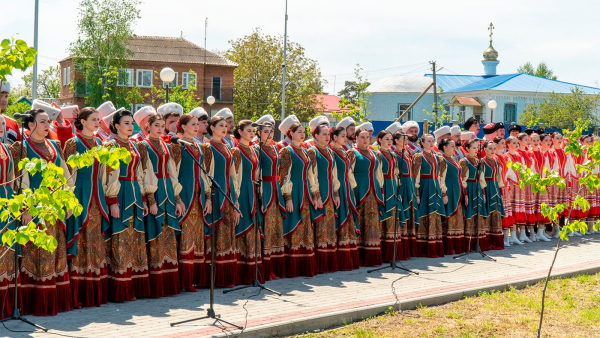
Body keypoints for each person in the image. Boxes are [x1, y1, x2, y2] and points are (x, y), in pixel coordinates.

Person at [12, 108, 74, 316]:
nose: (48, 125)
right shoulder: (22, 147)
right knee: (37, 251)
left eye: (48, 121)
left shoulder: (54, 145)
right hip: (35, 207)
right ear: (30, 125)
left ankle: (53, 301)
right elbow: (22, 179)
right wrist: (26, 208)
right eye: (43, 121)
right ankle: (34, 303)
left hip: (54, 207)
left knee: (54, 250)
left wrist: (68, 200)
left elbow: (64, 173)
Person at [63, 108, 110, 308]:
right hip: (80, 193)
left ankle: (95, 292)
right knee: (80, 238)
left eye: (98, 119)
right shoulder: (73, 143)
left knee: (95, 240)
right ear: (82, 121)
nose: (97, 122)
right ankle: (78, 293)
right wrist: (70, 201)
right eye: (93, 119)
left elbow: (104, 172)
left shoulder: (100, 143)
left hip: (96, 194)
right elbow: (68, 173)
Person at [103, 109, 151, 302]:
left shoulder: (134, 145)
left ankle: (133, 286)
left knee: (134, 240)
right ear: (116, 126)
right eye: (126, 123)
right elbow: (108, 174)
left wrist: (144, 199)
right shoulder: (110, 145)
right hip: (120, 192)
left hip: (134, 194)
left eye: (132, 123)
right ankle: (119, 289)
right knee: (120, 239)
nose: (131, 126)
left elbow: (139, 173)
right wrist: (112, 201)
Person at [137, 113, 185, 298]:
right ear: (148, 126)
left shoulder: (166, 146)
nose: (160, 128)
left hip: (167, 194)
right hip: (155, 192)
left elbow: (172, 174)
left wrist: (178, 199)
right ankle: (156, 286)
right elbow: (144, 173)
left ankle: (169, 285)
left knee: (168, 236)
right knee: (155, 234)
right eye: (156, 125)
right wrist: (150, 199)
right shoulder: (143, 145)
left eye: (162, 125)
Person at [172, 114, 211, 290]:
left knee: (197, 235)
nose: (196, 127)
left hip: (198, 196)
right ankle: (185, 280)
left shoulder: (198, 146)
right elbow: (174, 172)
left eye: (198, 124)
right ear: (183, 126)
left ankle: (196, 278)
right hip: (186, 194)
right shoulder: (178, 145)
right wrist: (177, 197)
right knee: (186, 235)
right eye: (193, 124)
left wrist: (208, 197)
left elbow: (204, 173)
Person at [205, 116, 241, 287]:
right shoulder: (207, 147)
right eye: (220, 125)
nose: (224, 128)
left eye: (226, 126)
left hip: (228, 191)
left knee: (228, 232)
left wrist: (236, 199)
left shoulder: (227, 148)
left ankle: (227, 276)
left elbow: (233, 175)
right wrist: (207, 198)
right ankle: (215, 277)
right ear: (211, 127)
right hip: (216, 191)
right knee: (216, 231)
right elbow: (206, 173)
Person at [278, 122, 318, 277]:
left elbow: (311, 175)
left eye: (304, 132)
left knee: (305, 226)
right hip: (294, 192)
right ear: (291, 133)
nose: (302, 134)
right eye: (299, 131)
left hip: (305, 191)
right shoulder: (286, 151)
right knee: (293, 223)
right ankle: (292, 267)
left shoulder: (306, 151)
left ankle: (304, 265)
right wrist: (288, 198)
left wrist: (315, 194)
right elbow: (284, 175)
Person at [231, 120, 265, 284]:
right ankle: (240, 273)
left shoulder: (255, 150)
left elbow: (258, 174)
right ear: (240, 131)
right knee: (242, 227)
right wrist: (235, 199)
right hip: (242, 191)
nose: (252, 133)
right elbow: (234, 176)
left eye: (253, 131)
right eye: (249, 130)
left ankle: (253, 272)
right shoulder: (236, 151)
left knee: (254, 228)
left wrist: (260, 195)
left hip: (253, 190)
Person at [348, 127, 384, 265]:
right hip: (358, 189)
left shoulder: (373, 153)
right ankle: (358, 255)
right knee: (359, 219)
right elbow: (349, 172)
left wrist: (380, 188)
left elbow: (378, 173)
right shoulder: (352, 153)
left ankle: (371, 255)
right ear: (355, 138)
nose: (365, 140)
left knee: (372, 221)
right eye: (362, 137)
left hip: (373, 191)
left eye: (367, 137)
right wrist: (352, 190)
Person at [307, 124, 340, 273]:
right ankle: (320, 264)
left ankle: (329, 264)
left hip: (330, 194)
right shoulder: (312, 151)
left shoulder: (329, 151)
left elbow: (334, 175)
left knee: (329, 228)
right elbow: (311, 176)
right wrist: (316, 195)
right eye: (324, 134)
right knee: (320, 228)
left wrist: (336, 193)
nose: (327, 137)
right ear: (316, 136)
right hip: (320, 194)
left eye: (328, 134)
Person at [256, 122, 286, 279]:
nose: (269, 134)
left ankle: (275, 266)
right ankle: (265, 268)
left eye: (271, 131)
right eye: (265, 131)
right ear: (259, 133)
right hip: (265, 188)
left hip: (276, 188)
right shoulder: (257, 149)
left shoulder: (275, 148)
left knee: (275, 228)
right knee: (266, 227)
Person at [330, 126, 360, 270]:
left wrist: (352, 190)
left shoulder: (344, 152)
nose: (344, 138)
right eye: (342, 135)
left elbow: (349, 172)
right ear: (334, 137)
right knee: (340, 218)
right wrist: (336, 192)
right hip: (338, 187)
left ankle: (348, 257)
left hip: (347, 188)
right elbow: (333, 174)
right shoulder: (332, 152)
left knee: (348, 219)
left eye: (344, 135)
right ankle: (339, 259)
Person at [412, 134, 445, 258]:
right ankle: (423, 248)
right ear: (422, 143)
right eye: (428, 141)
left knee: (435, 214)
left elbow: (440, 176)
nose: (431, 143)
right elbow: (415, 176)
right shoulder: (418, 157)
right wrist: (417, 193)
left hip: (435, 187)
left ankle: (434, 246)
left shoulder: (437, 158)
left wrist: (442, 192)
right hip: (424, 187)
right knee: (424, 214)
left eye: (433, 141)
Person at [377, 130, 408, 260]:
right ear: (379, 140)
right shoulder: (377, 154)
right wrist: (381, 190)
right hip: (384, 185)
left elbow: (396, 172)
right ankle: (384, 253)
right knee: (385, 216)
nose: (389, 142)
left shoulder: (393, 154)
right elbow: (377, 174)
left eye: (391, 139)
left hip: (393, 186)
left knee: (394, 218)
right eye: (386, 139)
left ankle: (393, 253)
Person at [0, 114, 19, 318]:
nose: (1, 126)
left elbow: (14, 179)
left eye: (3, 124)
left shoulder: (6, 148)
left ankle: (5, 306)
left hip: (6, 205)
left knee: (5, 251)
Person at [437, 138, 466, 255]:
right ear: (445, 147)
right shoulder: (442, 159)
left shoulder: (453, 159)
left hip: (456, 192)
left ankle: (457, 246)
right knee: (450, 218)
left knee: (457, 219)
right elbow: (441, 178)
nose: (455, 148)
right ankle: (449, 247)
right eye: (452, 146)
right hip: (449, 191)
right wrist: (444, 194)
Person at [460, 139, 487, 251]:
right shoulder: (464, 161)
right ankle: (468, 244)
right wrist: (465, 195)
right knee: (470, 214)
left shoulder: (479, 161)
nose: (476, 150)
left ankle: (478, 243)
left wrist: (483, 193)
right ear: (467, 148)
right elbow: (462, 179)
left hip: (478, 189)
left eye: (477, 148)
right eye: (473, 148)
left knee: (478, 214)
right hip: (469, 189)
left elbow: (481, 178)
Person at [392, 132, 417, 258]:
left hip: (410, 183)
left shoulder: (407, 153)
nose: (406, 141)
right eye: (403, 139)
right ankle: (401, 248)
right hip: (402, 184)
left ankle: (410, 248)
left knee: (410, 214)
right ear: (396, 140)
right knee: (403, 212)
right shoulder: (395, 154)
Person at [481, 141, 505, 250]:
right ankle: (486, 242)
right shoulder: (482, 162)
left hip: (495, 187)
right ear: (484, 149)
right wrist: (483, 192)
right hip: (487, 187)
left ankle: (496, 242)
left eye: (494, 148)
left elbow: (499, 177)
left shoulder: (496, 161)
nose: (492, 151)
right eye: (490, 148)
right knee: (487, 212)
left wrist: (501, 190)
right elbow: (481, 178)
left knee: (496, 212)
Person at [549, 132, 573, 238]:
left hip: (563, 180)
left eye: (560, 138)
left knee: (563, 204)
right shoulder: (551, 152)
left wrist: (568, 180)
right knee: (555, 204)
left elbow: (568, 167)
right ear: (552, 139)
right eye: (557, 138)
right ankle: (555, 227)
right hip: (555, 180)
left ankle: (561, 227)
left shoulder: (564, 152)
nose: (559, 140)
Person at [529, 133, 552, 242]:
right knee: (532, 208)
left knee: (542, 207)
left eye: (537, 139)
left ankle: (541, 232)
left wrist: (546, 180)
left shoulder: (543, 154)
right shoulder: (529, 154)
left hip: (542, 183)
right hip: (532, 184)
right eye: (533, 139)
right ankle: (533, 233)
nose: (536, 141)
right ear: (530, 141)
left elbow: (546, 168)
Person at [515, 133, 537, 242]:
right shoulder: (517, 153)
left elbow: (532, 167)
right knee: (521, 208)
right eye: (525, 139)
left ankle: (532, 233)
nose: (527, 141)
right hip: (521, 183)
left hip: (529, 182)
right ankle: (521, 233)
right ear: (519, 141)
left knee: (529, 208)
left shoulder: (529, 153)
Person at [504, 136, 525, 245]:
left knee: (517, 210)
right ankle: (510, 235)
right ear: (508, 144)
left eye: (517, 142)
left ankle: (516, 235)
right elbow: (507, 172)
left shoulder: (519, 156)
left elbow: (523, 169)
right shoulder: (506, 156)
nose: (516, 145)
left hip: (518, 184)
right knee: (511, 210)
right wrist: (512, 181)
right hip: (511, 185)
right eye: (514, 142)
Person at [493, 137, 512, 247]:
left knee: (505, 211)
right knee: (499, 211)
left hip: (504, 185)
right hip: (498, 186)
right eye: (501, 143)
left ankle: (506, 237)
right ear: (496, 144)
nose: (504, 145)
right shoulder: (495, 158)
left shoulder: (504, 157)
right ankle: (499, 236)